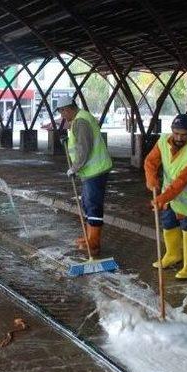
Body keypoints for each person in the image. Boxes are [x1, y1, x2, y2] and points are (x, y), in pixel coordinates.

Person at [144, 114, 187, 279]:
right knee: (168, 224)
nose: (179, 137)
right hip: (169, 197)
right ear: (171, 131)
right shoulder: (163, 141)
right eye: (176, 133)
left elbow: (180, 183)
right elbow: (150, 161)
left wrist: (160, 199)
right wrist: (151, 179)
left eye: (183, 134)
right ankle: (172, 255)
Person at [56, 96, 113, 256]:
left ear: (68, 108)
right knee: (87, 204)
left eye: (62, 112)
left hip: (95, 170)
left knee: (93, 205)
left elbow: (84, 149)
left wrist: (74, 168)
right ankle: (89, 237)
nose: (62, 116)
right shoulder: (80, 119)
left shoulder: (81, 121)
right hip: (90, 172)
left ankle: (94, 243)